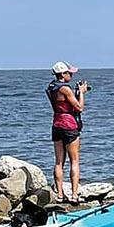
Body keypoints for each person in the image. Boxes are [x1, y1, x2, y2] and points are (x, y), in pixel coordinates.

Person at [47, 61, 88, 203]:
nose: (71, 75)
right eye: (69, 73)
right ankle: (74, 195)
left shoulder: (51, 87)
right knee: (74, 161)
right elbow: (79, 108)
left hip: (57, 124)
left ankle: (60, 195)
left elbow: (60, 104)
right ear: (63, 74)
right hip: (69, 125)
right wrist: (81, 93)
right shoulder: (65, 89)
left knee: (59, 162)